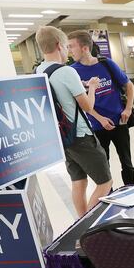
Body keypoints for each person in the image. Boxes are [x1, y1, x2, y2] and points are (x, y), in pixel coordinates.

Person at [35, 26, 112, 217]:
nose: (68, 51)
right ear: (58, 45)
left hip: (62, 137)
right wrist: (92, 87)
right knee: (105, 182)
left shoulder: (39, 70)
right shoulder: (67, 72)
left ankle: (80, 223)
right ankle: (87, 224)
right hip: (81, 136)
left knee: (79, 181)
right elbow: (87, 106)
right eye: (66, 47)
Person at [68, 30, 134, 186]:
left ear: (85, 48)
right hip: (97, 125)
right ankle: (108, 194)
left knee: (126, 161)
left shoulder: (107, 64)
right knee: (103, 164)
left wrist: (128, 109)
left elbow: (129, 86)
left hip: (119, 121)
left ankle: (130, 189)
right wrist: (99, 118)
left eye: (72, 46)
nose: (69, 51)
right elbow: (80, 102)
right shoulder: (73, 71)